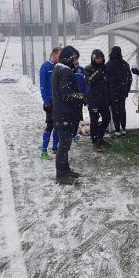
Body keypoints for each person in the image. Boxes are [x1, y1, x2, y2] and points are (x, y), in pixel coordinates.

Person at [52, 46, 84, 184]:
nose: (76, 61)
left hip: (62, 113)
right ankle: (61, 174)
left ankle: (66, 170)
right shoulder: (64, 71)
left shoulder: (58, 69)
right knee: (64, 145)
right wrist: (82, 97)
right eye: (75, 58)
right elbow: (67, 94)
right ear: (69, 58)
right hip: (65, 114)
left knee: (65, 144)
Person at [85, 49, 111, 152]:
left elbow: (108, 83)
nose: (100, 60)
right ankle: (94, 142)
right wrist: (98, 72)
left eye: (101, 58)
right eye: (97, 58)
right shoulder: (88, 68)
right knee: (94, 122)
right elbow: (89, 80)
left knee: (107, 118)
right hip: (93, 100)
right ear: (93, 58)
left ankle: (100, 138)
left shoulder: (105, 68)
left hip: (104, 99)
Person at [39, 46, 62, 160]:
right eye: (60, 54)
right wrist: (46, 100)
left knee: (58, 124)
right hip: (50, 102)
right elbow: (43, 85)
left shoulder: (59, 66)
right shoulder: (45, 66)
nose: (61, 57)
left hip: (59, 101)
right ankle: (43, 151)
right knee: (50, 125)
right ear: (54, 54)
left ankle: (55, 147)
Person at [106, 46, 132, 137]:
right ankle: (123, 129)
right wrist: (127, 90)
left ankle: (117, 130)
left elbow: (105, 80)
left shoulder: (109, 64)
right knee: (122, 109)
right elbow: (130, 78)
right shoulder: (125, 64)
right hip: (122, 91)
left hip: (112, 92)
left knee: (115, 110)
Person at [73, 63, 86, 142]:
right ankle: (71, 133)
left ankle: (74, 134)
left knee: (77, 116)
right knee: (71, 116)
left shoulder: (81, 70)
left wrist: (84, 95)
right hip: (71, 96)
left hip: (80, 96)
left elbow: (85, 83)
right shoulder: (68, 70)